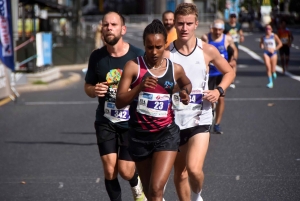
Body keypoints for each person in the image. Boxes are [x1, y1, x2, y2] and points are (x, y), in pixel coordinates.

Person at [164, 3, 235, 201]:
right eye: (180, 24)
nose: (184, 28)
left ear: (196, 24)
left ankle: (197, 195)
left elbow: (229, 71)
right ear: (175, 25)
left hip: (200, 117)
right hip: (174, 120)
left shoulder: (207, 50)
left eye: (188, 23)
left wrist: (218, 90)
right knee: (180, 173)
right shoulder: (166, 53)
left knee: (194, 169)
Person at [115, 19, 192, 201]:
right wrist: (139, 87)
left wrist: (184, 92)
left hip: (166, 135)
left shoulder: (175, 69)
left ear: (165, 44)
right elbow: (119, 101)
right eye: (150, 47)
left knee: (157, 189)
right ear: (145, 45)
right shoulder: (134, 67)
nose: (154, 52)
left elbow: (187, 83)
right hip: (139, 136)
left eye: (159, 46)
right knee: (151, 194)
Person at [84, 12, 146, 201]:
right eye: (105, 25)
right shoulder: (97, 57)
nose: (109, 27)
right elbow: (87, 87)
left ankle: (137, 188)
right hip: (106, 119)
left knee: (126, 171)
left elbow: (151, 85)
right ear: (102, 29)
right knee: (110, 169)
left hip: (131, 121)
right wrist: (95, 90)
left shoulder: (137, 55)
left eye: (114, 24)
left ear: (123, 29)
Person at [201, 19, 238, 134]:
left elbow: (235, 50)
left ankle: (217, 124)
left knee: (221, 97)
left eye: (220, 30)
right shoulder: (206, 38)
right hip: (209, 73)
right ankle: (210, 113)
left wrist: (233, 60)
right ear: (212, 28)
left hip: (221, 73)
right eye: (216, 29)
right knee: (209, 98)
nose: (217, 32)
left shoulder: (227, 38)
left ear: (223, 29)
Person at [224, 12, 244, 88]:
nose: (233, 19)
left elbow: (240, 32)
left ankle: (232, 80)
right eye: (231, 17)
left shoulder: (238, 25)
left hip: (234, 46)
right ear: (230, 18)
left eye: (234, 17)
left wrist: (242, 36)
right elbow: (222, 35)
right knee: (226, 63)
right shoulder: (226, 26)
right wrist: (228, 34)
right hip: (227, 46)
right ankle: (226, 78)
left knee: (233, 62)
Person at [260, 24, 282, 88]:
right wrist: (262, 45)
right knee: (268, 67)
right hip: (266, 53)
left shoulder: (274, 36)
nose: (268, 30)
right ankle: (270, 82)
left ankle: (274, 72)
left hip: (273, 53)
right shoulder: (263, 37)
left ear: (271, 29)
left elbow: (280, 44)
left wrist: (274, 49)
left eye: (269, 29)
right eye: (267, 29)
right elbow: (261, 44)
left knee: (273, 69)